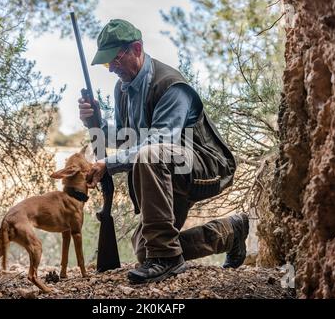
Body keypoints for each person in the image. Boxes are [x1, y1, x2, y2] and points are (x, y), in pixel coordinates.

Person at [78, 19, 249, 284]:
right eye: (106, 63)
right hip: (168, 167)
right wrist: (96, 123)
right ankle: (229, 232)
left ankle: (168, 259)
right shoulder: (123, 89)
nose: (111, 68)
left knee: (150, 154)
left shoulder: (170, 85)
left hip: (205, 166)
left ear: (136, 48)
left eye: (115, 59)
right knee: (145, 251)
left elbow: (159, 141)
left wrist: (108, 164)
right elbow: (127, 138)